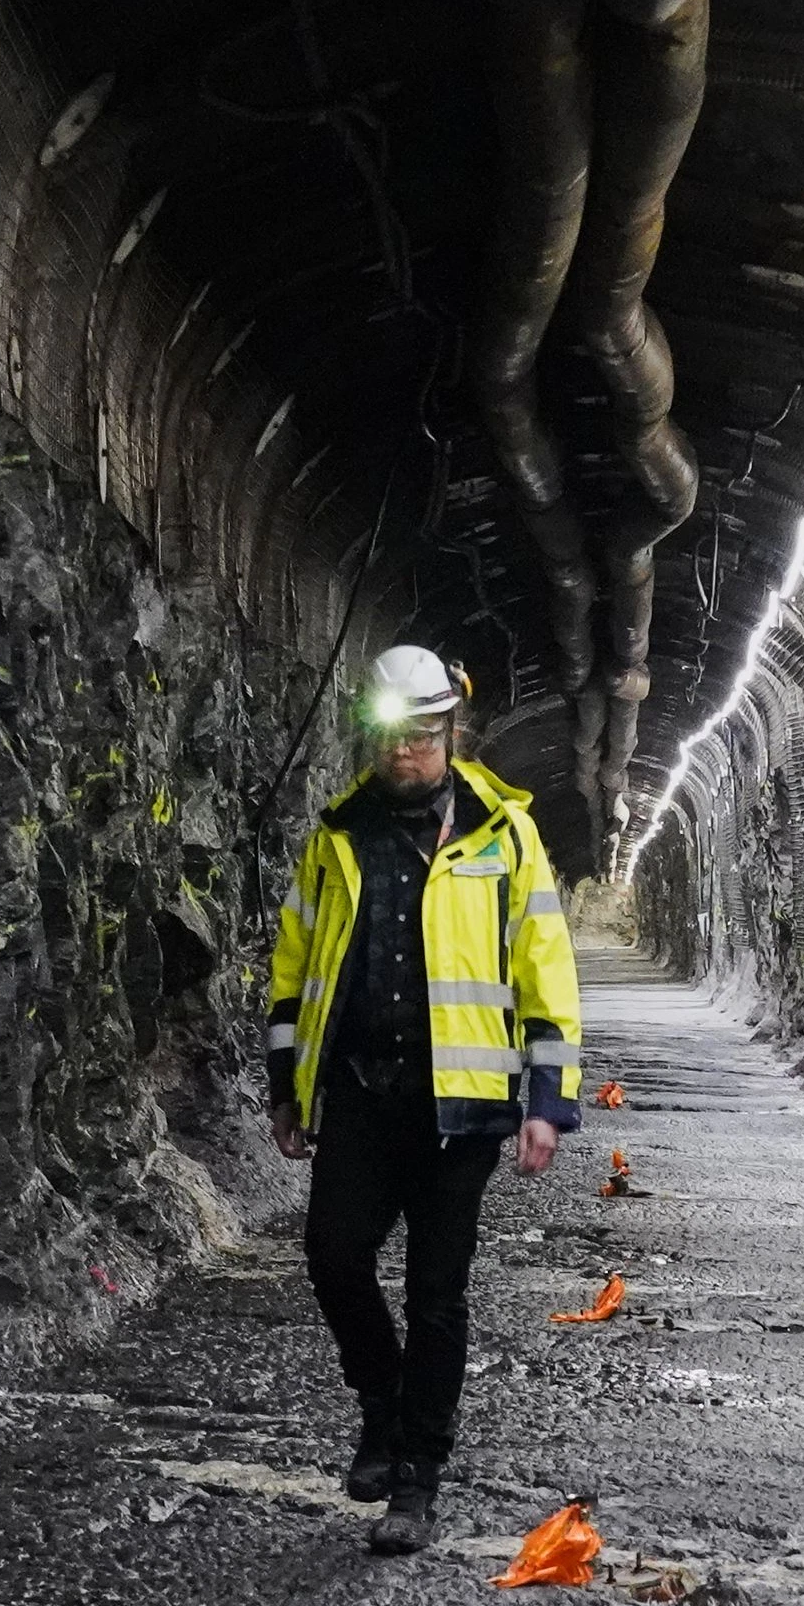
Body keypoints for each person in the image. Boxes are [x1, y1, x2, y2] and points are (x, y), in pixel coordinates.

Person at [266, 644, 585, 1555]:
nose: (403, 754)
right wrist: (288, 1088)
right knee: (333, 1255)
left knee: (438, 1292)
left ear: (452, 732)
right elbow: (296, 966)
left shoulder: (504, 835)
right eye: (388, 738)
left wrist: (545, 1099)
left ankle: (416, 1477)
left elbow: (544, 968)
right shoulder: (336, 835)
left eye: (420, 737)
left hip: (466, 1106)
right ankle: (380, 1401)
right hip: (363, 1092)